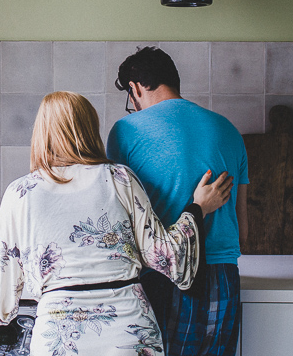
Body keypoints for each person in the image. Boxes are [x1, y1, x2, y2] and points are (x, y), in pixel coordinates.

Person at [0, 91, 233, 356]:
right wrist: (197, 208)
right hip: (128, 334)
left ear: (41, 133)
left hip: (59, 341)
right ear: (90, 129)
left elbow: (1, 304)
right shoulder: (119, 178)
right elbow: (169, 257)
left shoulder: (20, 194)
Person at [107, 46, 249, 356]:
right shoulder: (229, 130)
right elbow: (243, 224)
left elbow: (120, 216)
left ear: (135, 88)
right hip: (224, 275)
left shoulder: (125, 131)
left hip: (164, 273)